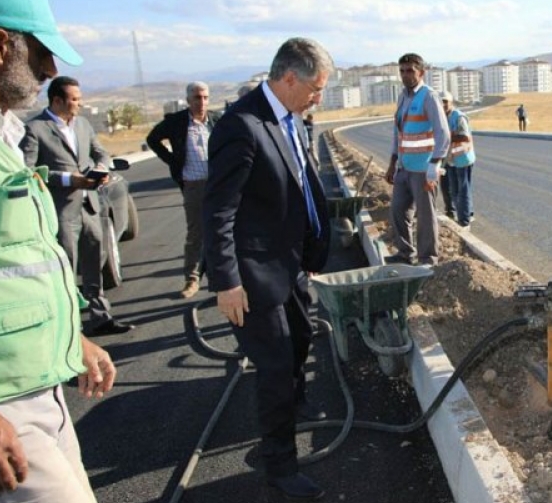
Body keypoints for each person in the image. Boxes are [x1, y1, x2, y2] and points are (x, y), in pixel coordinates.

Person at [0, 0, 117, 503]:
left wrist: (71, 338)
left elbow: (11, 262)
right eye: (40, 53)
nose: (50, 69)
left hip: (39, 391)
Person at [203, 37, 332, 502]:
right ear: (289, 78)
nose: (319, 96)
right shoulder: (243, 125)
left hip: (292, 266)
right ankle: (280, 465)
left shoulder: (288, 119)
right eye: (315, 87)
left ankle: (296, 404)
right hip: (254, 274)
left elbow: (299, 184)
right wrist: (227, 282)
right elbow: (218, 211)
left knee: (301, 340)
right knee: (275, 366)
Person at [20, 76, 134, 336]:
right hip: (62, 211)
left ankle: (101, 318)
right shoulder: (35, 129)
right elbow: (28, 171)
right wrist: (68, 179)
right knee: (66, 269)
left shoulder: (82, 125)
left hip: (91, 206)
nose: (79, 105)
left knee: (96, 264)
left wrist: (101, 168)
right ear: (57, 100)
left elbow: (100, 152)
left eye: (80, 99)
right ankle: (72, 329)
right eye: (74, 99)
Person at [146, 81, 222, 298]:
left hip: (218, 184)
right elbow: (152, 139)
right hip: (193, 185)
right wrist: (172, 161)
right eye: (197, 98)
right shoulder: (176, 122)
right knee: (196, 233)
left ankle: (221, 280)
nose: (202, 102)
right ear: (188, 100)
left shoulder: (217, 120)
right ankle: (192, 279)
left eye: (205, 97)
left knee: (223, 231)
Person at [383, 53, 450, 266]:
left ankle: (427, 259)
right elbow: (398, 133)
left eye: (410, 70)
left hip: (423, 169)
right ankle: (405, 253)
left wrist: (435, 163)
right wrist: (393, 163)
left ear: (421, 72)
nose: (405, 75)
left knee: (426, 217)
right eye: (402, 71)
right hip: (404, 167)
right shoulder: (403, 97)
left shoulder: (428, 97)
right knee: (398, 211)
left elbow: (443, 132)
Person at [440, 91, 475, 228]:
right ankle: (466, 214)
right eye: (440, 101)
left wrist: (447, 137)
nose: (443, 104)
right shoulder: (444, 117)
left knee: (462, 189)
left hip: (463, 158)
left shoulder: (459, 117)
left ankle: (464, 221)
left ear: (451, 102)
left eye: (445, 101)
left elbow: (465, 137)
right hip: (451, 159)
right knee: (455, 190)